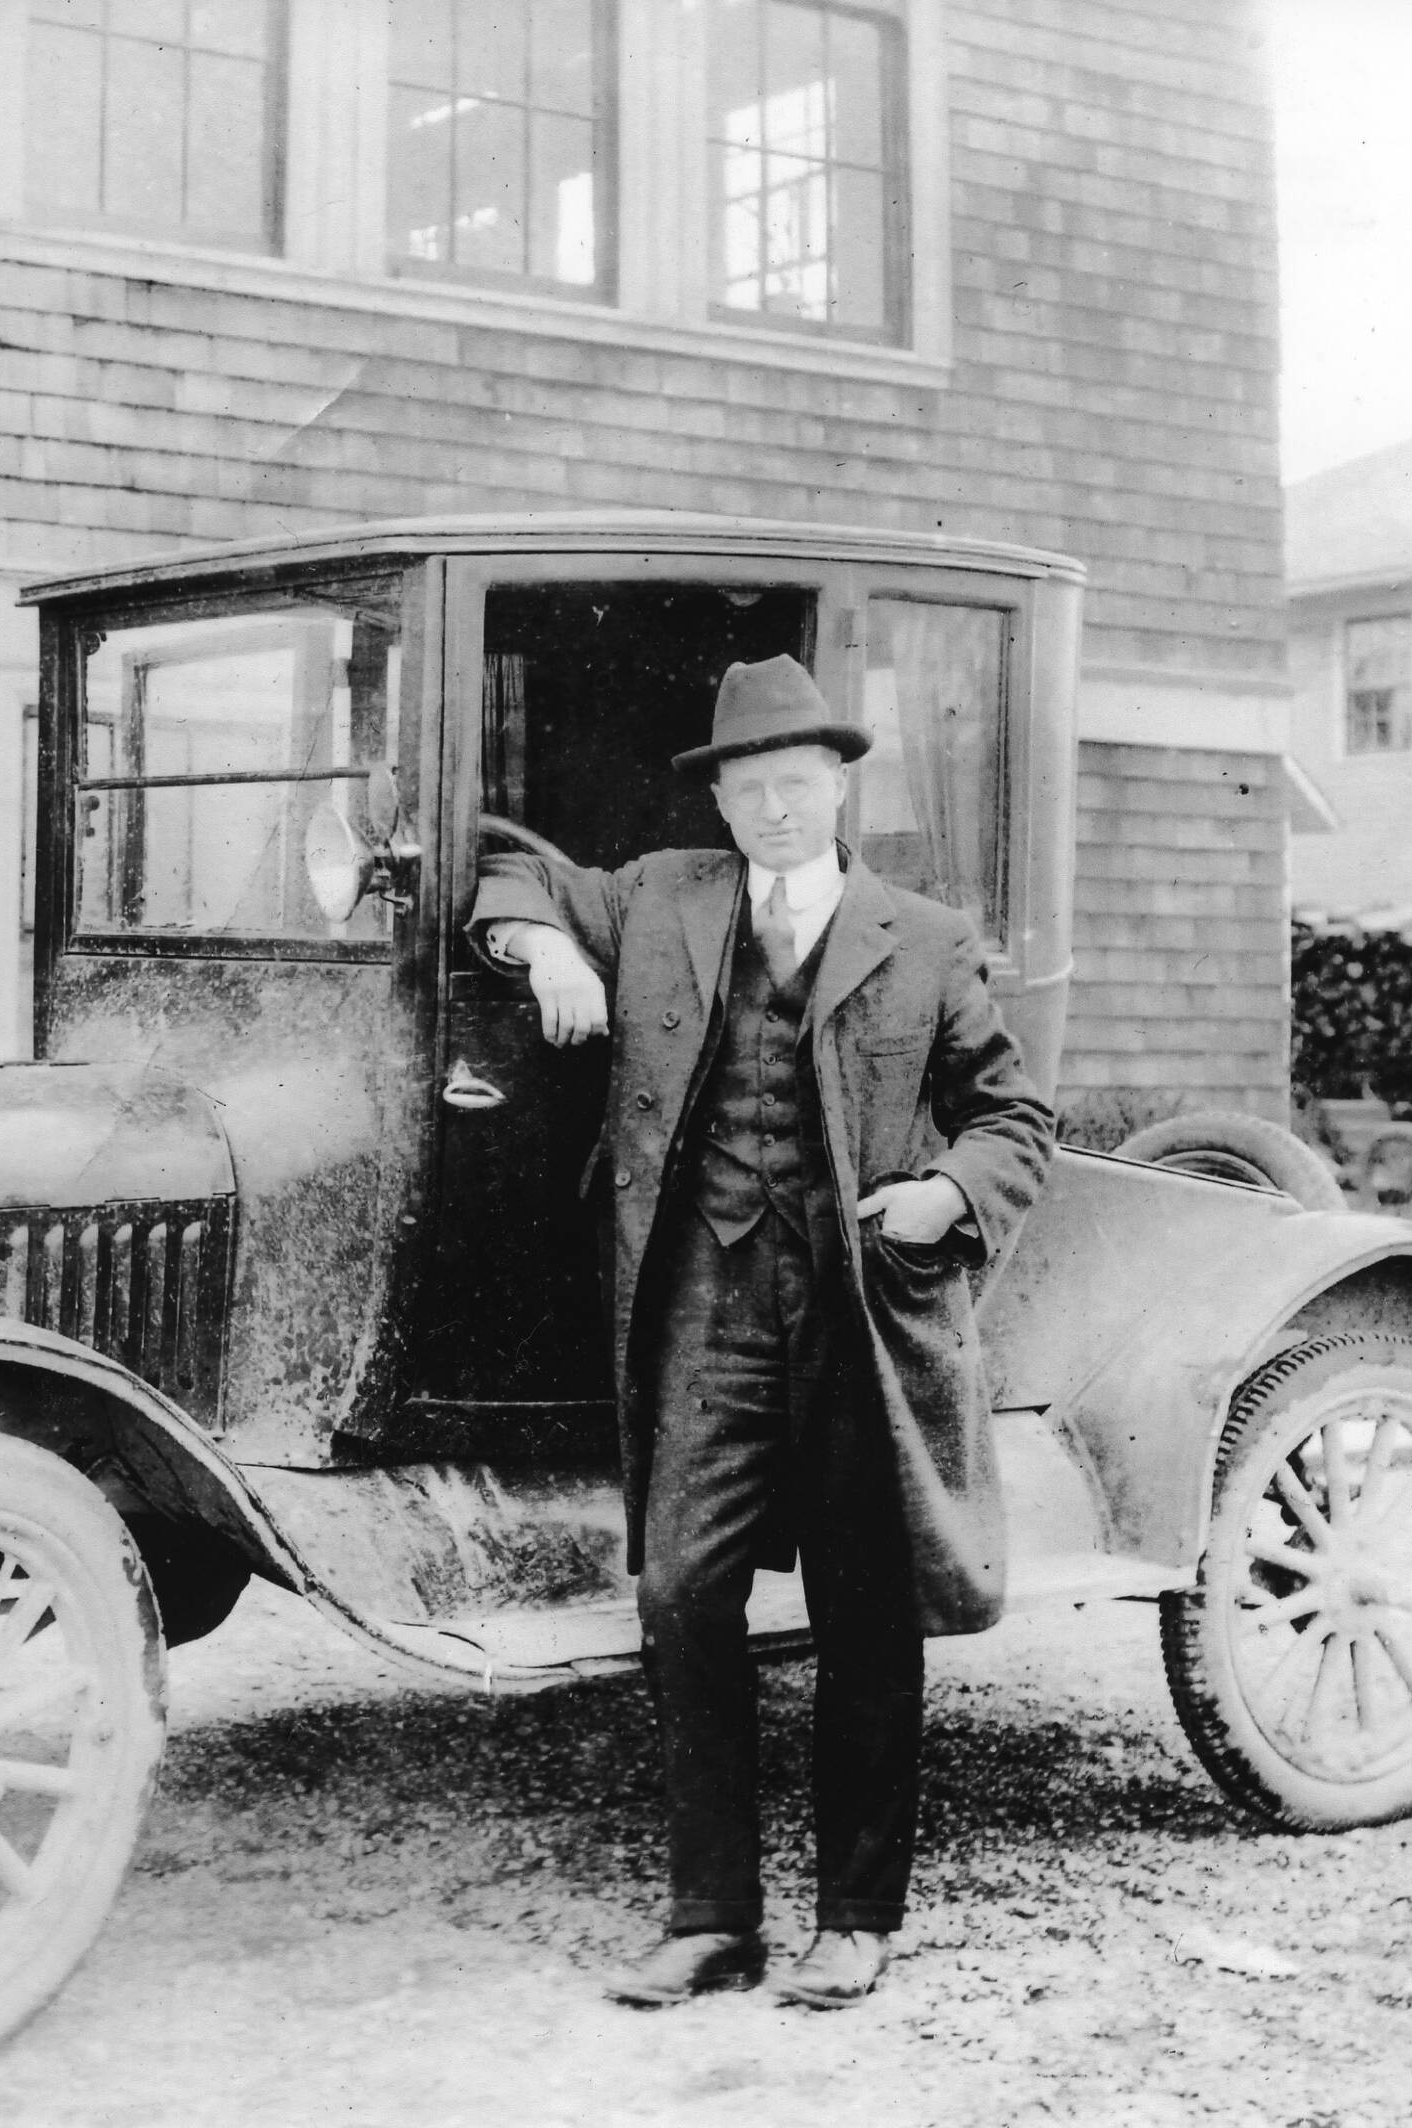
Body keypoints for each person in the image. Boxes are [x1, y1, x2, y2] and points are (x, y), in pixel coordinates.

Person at [467, 653, 1053, 2010]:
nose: (774, 812)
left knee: (863, 1609)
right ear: (722, 801)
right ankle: (713, 1920)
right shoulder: (660, 897)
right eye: (750, 789)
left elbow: (1013, 1121)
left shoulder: (926, 937)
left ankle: (856, 1917)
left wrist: (947, 1193)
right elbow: (508, 873)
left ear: (841, 788)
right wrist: (548, 945)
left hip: (862, 1321)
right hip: (706, 1317)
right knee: (680, 1594)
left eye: (797, 785)